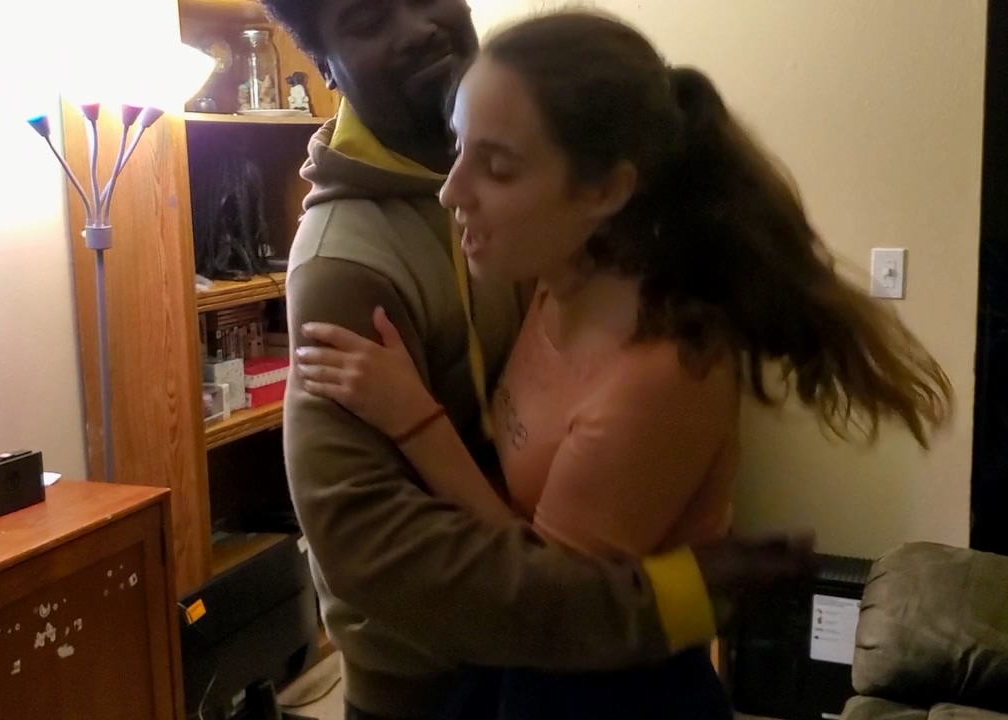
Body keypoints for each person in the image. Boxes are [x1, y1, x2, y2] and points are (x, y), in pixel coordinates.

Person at [295, 8, 955, 719]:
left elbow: (552, 591)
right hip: (515, 666)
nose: (452, 191)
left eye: (498, 166)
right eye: (460, 149)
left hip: (605, 690)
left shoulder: (654, 367)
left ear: (605, 191)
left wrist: (415, 419)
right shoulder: (549, 278)